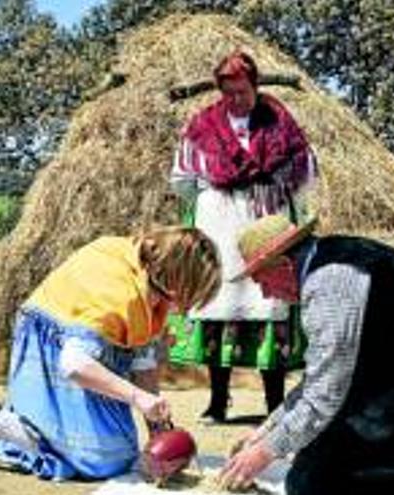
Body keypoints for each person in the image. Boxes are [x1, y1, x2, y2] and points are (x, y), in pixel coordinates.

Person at [217, 214, 394, 495]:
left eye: (262, 281)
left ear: (282, 265)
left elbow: (324, 396)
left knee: (312, 482)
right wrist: (266, 432)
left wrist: (264, 453)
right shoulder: (333, 258)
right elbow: (318, 379)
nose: (267, 294)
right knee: (313, 454)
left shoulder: (328, 283)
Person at [0, 227, 221, 480]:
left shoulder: (149, 285)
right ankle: (1, 426)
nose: (188, 308)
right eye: (191, 295)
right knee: (101, 459)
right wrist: (138, 397)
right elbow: (74, 364)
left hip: (91, 353)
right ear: (177, 282)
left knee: (121, 450)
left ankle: (27, 433)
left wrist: (157, 429)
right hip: (53, 343)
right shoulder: (119, 291)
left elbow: (143, 362)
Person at [170, 50, 318, 422]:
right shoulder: (202, 125)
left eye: (243, 91)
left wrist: (272, 194)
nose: (236, 99)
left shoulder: (278, 120)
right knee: (219, 305)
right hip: (218, 223)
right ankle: (218, 402)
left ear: (255, 85)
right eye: (229, 92)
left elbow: (304, 169)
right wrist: (212, 198)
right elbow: (183, 178)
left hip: (263, 222)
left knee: (269, 304)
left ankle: (275, 405)